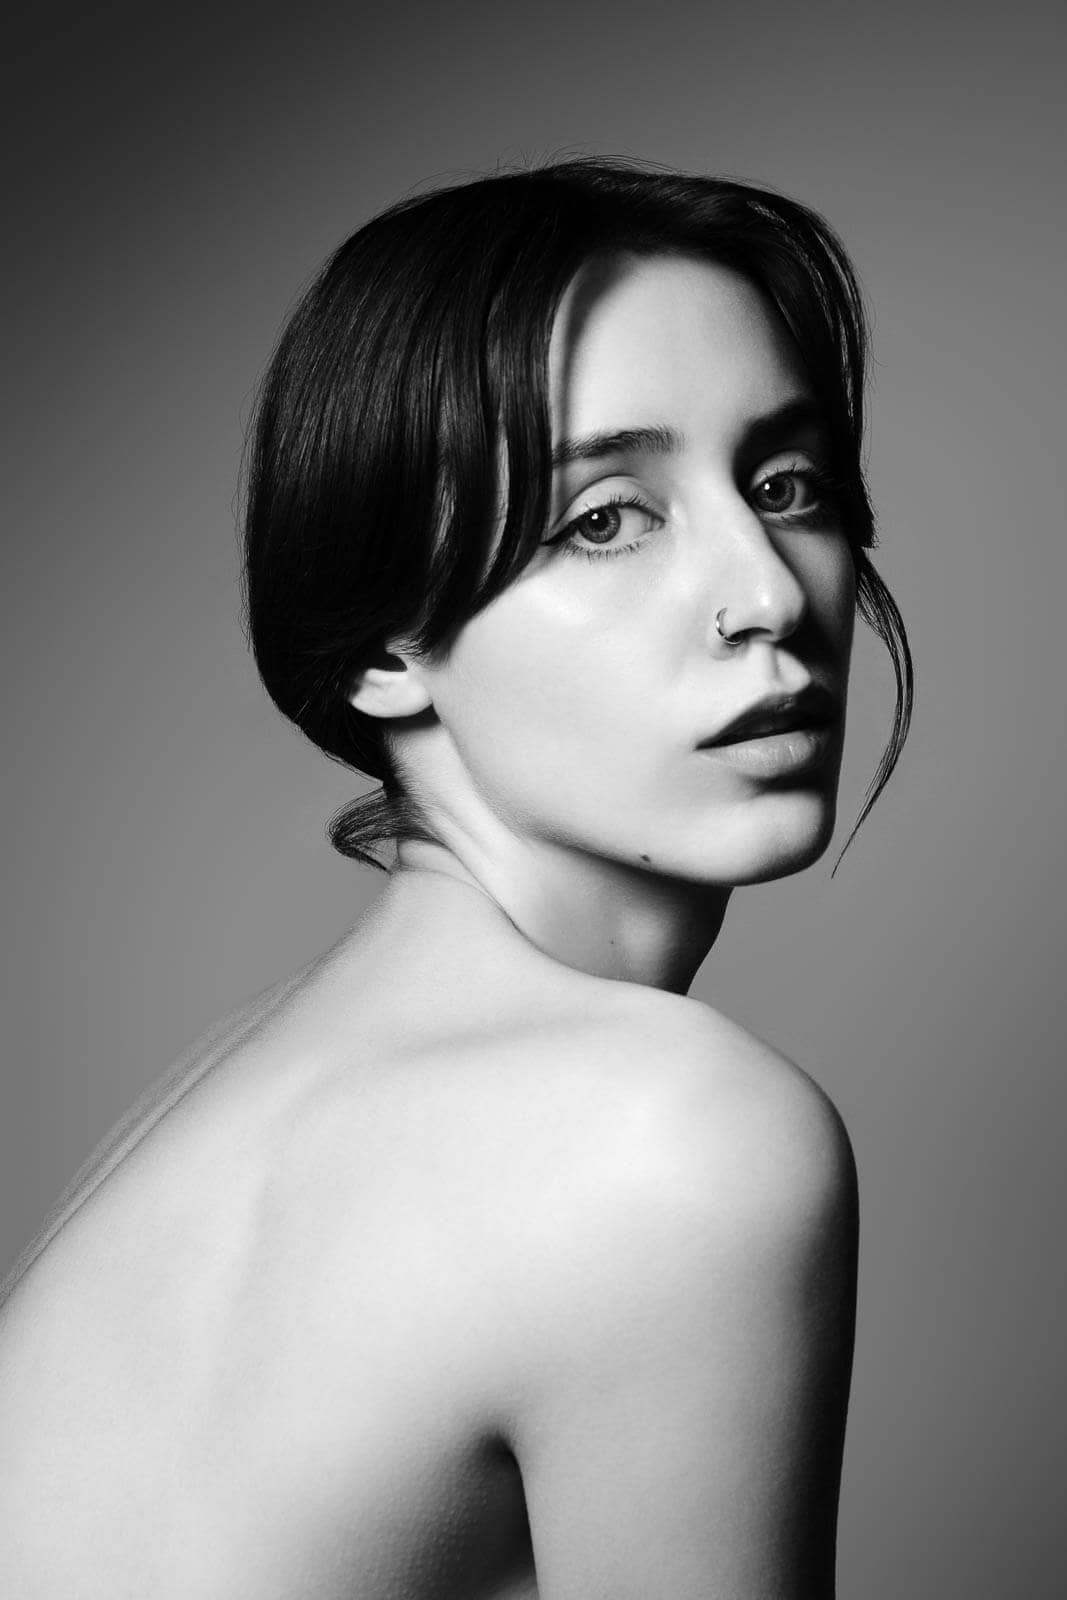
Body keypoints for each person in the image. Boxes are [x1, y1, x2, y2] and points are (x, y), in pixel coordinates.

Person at [0, 159, 911, 1598]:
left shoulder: (227, 1087)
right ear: (385, 642)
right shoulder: (670, 1138)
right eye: (605, 517)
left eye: (787, 483)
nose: (772, 594)